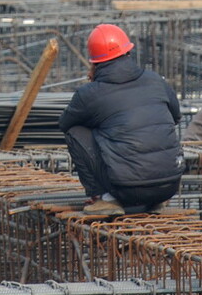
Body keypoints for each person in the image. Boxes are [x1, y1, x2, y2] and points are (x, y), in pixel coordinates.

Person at [58, 24, 185, 217]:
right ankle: (156, 201)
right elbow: (175, 117)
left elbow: (65, 124)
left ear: (94, 62)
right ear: (127, 52)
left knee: (75, 131)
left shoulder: (90, 94)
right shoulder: (155, 80)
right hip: (169, 185)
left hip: (127, 188)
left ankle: (105, 199)